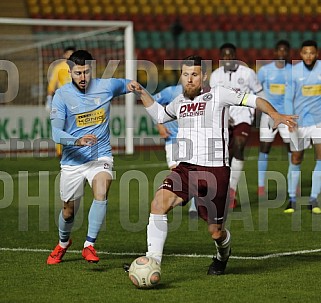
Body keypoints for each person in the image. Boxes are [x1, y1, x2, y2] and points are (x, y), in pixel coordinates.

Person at [128, 55, 297, 275]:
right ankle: (153, 261)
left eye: (194, 75)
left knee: (216, 231)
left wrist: (274, 114)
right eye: (186, 74)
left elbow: (253, 100)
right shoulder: (179, 101)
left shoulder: (219, 93)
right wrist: (142, 92)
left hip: (215, 172)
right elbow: (160, 115)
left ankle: (221, 255)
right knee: (158, 204)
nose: (189, 80)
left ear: (203, 76)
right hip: (186, 169)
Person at [47, 50, 133, 264]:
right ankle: (63, 243)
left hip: (99, 155)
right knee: (68, 212)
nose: (83, 77)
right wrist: (77, 141)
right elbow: (55, 133)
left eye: (86, 72)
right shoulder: (62, 95)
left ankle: (89, 245)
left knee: (101, 191)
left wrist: (136, 87)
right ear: (70, 72)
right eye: (78, 73)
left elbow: (127, 84)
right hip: (72, 161)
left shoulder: (106, 86)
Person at [209, 43, 265, 208]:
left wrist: (261, 115)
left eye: (230, 55)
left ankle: (231, 193)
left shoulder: (247, 73)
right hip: (223, 119)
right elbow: (212, 100)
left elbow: (260, 94)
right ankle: (221, 193)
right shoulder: (215, 76)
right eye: (224, 56)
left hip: (243, 117)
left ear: (235, 55)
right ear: (221, 58)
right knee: (225, 156)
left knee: (239, 147)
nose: (228, 58)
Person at [284, 40, 321, 214]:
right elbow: (287, 98)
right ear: (300, 54)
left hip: (318, 122)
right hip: (299, 123)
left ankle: (314, 198)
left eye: (312, 53)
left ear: (317, 54)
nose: (309, 56)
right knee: (296, 159)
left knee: (320, 158)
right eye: (305, 52)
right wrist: (290, 120)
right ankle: (292, 199)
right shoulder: (293, 71)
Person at [153, 85, 197, 218]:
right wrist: (160, 125)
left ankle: (194, 208)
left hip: (192, 138)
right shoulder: (170, 91)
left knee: (192, 170)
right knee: (176, 173)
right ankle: (185, 195)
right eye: (186, 73)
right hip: (172, 138)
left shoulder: (203, 93)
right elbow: (153, 104)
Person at [257, 40, 294, 198]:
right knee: (264, 149)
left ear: (288, 53)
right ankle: (261, 186)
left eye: (285, 50)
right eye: (279, 50)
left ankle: (294, 185)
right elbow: (256, 90)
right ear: (275, 52)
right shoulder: (265, 71)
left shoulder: (293, 71)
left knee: (292, 150)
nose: (282, 53)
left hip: (287, 116)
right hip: (269, 116)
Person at [46, 46, 76, 157]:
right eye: (67, 54)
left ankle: (74, 148)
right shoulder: (59, 67)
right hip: (62, 100)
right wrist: (49, 99)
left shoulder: (78, 67)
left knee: (74, 125)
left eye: (71, 54)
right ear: (64, 55)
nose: (69, 56)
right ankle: (59, 151)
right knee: (60, 125)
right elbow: (52, 83)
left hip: (75, 100)